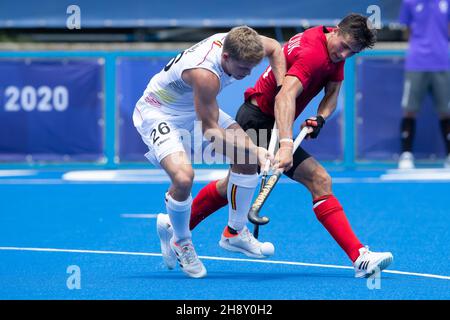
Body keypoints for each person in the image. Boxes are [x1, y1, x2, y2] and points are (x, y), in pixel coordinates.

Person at [158, 14, 393, 278]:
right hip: (257, 120)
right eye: (345, 45)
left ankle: (176, 225)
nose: (345, 54)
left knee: (237, 186)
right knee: (310, 180)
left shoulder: (330, 46)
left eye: (353, 52)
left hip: (269, 121)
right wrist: (285, 144)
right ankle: (358, 256)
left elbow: (331, 94)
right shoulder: (313, 55)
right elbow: (284, 98)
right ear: (336, 31)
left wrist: (321, 117)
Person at [134, 26, 286, 278]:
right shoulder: (206, 76)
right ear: (226, 57)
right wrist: (255, 148)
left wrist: (281, 90)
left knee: (246, 161)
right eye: (242, 69)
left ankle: (235, 232)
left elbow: (276, 49)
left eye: (252, 69)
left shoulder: (242, 42)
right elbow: (212, 133)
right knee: (183, 178)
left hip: (195, 107)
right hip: (159, 112)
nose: (247, 75)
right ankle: (180, 239)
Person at [398, 0, 450, 169]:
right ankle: (406, 155)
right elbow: (407, 30)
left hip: (443, 62)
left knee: (446, 111)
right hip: (416, 63)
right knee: (409, 109)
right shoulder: (409, 2)